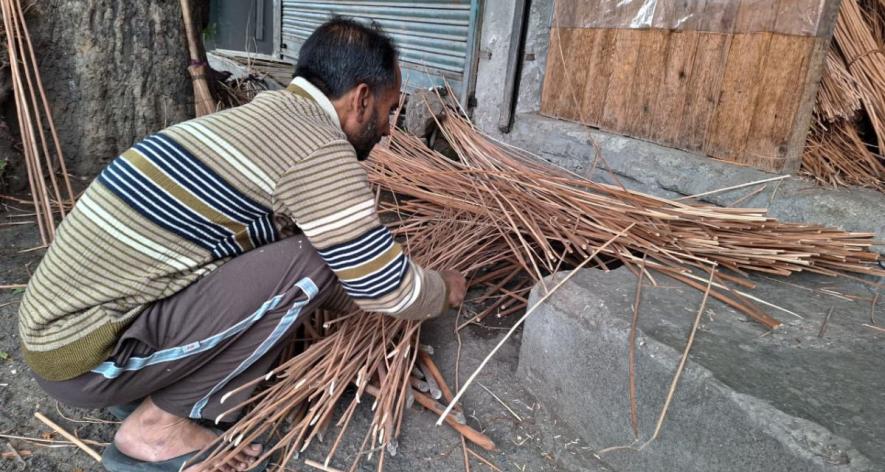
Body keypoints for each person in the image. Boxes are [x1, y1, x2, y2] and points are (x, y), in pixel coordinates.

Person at [17, 18, 466, 472]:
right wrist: (441, 289)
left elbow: (324, 268)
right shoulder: (318, 148)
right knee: (305, 260)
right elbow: (386, 289)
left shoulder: (267, 116)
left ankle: (145, 389)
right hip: (81, 355)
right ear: (362, 97)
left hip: (60, 333)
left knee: (299, 255)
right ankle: (156, 431)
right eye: (389, 111)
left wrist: (351, 297)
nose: (389, 130)